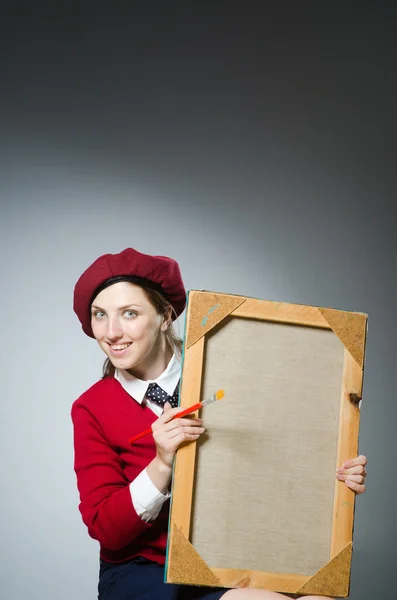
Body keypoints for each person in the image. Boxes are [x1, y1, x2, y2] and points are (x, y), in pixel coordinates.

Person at [71, 247, 368, 600]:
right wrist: (162, 463)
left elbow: (277, 457)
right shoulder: (91, 407)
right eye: (100, 315)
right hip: (146, 573)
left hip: (239, 558)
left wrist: (336, 476)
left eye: (130, 313)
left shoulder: (229, 364)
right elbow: (106, 529)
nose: (112, 332)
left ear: (165, 316)